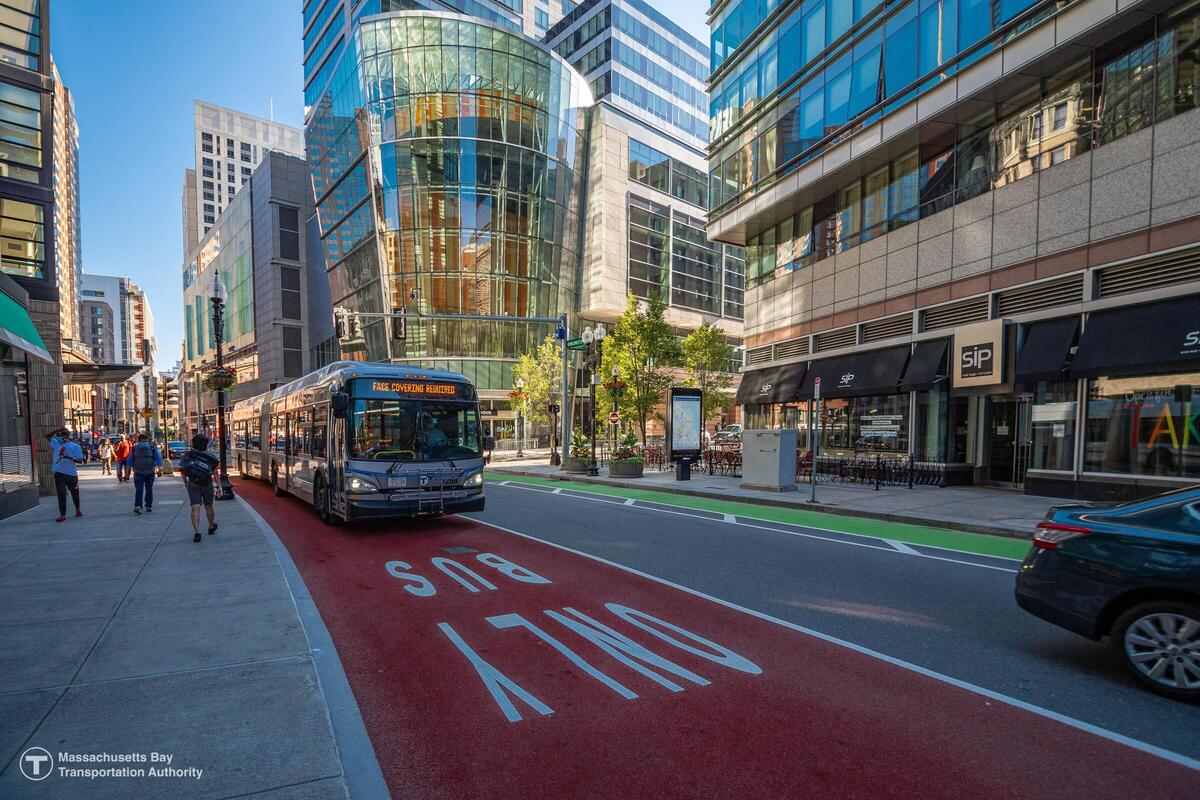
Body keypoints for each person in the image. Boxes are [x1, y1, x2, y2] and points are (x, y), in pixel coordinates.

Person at [179, 433, 220, 544]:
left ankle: (197, 532)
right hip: (207, 484)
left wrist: (186, 482)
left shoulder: (188, 455)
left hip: (193, 483)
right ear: (206, 444)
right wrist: (219, 487)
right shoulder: (211, 457)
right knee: (208, 506)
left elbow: (182, 470)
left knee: (195, 508)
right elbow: (215, 473)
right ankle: (211, 526)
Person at [44, 426, 83, 522]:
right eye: (57, 436)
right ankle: (62, 515)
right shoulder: (57, 444)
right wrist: (57, 429)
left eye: (59, 436)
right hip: (59, 473)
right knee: (61, 494)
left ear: (65, 437)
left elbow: (80, 461)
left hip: (71, 474)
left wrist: (69, 457)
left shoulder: (75, 447)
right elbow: (47, 436)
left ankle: (77, 510)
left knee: (75, 493)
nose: (56, 438)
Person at [126, 433, 162, 514]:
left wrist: (160, 469)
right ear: (139, 441)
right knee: (139, 490)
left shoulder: (152, 448)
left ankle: (148, 505)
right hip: (138, 473)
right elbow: (129, 460)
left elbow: (157, 459)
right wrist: (127, 472)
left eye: (146, 441)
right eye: (143, 441)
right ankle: (138, 506)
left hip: (150, 473)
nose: (145, 443)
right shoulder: (134, 449)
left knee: (149, 490)